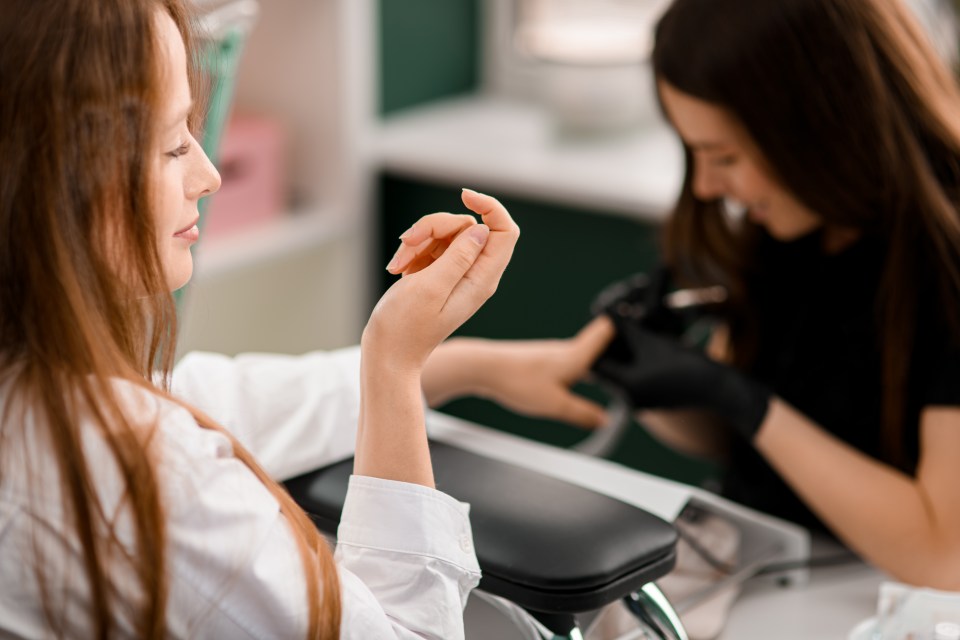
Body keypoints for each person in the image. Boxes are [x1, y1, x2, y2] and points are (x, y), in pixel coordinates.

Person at [0, 0, 520, 638]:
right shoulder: (129, 469)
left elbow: (198, 397)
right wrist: (394, 365)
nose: (210, 175)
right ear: (49, 175)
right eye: (170, 146)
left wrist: (469, 365)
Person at [419, 0, 960, 591]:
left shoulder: (944, 261)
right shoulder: (798, 223)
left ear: (824, 125)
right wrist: (665, 380)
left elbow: (942, 554)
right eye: (694, 153)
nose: (705, 186)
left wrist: (745, 400)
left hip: (884, 595)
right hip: (776, 563)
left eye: (724, 157)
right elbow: (736, 438)